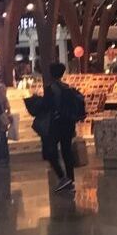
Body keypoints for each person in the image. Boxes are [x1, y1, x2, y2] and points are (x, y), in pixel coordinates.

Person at [42, 62, 84, 193]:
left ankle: (62, 177)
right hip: (68, 124)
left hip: (56, 124)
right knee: (67, 151)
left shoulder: (50, 89)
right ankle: (70, 179)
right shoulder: (67, 88)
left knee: (50, 152)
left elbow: (46, 106)